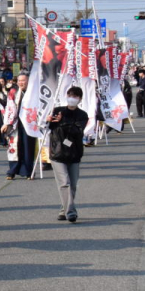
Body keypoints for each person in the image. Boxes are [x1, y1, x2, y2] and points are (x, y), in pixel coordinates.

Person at [48, 85, 89, 223]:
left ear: (80, 99)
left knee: (73, 184)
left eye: (75, 96)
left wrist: (63, 121)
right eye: (70, 95)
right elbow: (49, 126)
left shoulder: (82, 115)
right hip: (57, 152)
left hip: (74, 153)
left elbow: (77, 131)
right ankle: (71, 212)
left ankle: (63, 209)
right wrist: (49, 120)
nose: (72, 98)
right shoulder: (57, 110)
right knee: (64, 183)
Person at [3, 72, 36, 180]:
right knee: (14, 147)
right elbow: (9, 108)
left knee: (28, 147)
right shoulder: (13, 92)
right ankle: (12, 171)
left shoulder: (33, 92)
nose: (21, 82)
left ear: (28, 81)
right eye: (19, 80)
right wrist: (6, 123)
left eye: (23, 80)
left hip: (29, 123)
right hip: (15, 123)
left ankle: (28, 171)